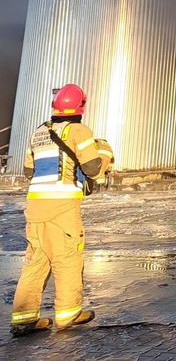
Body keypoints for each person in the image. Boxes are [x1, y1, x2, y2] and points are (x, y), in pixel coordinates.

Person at [11, 83, 114, 337]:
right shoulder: (79, 131)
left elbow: (28, 170)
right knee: (67, 258)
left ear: (54, 105)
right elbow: (91, 168)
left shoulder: (38, 133)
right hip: (62, 208)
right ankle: (69, 314)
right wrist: (105, 155)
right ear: (82, 106)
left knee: (36, 261)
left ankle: (23, 319)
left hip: (35, 207)